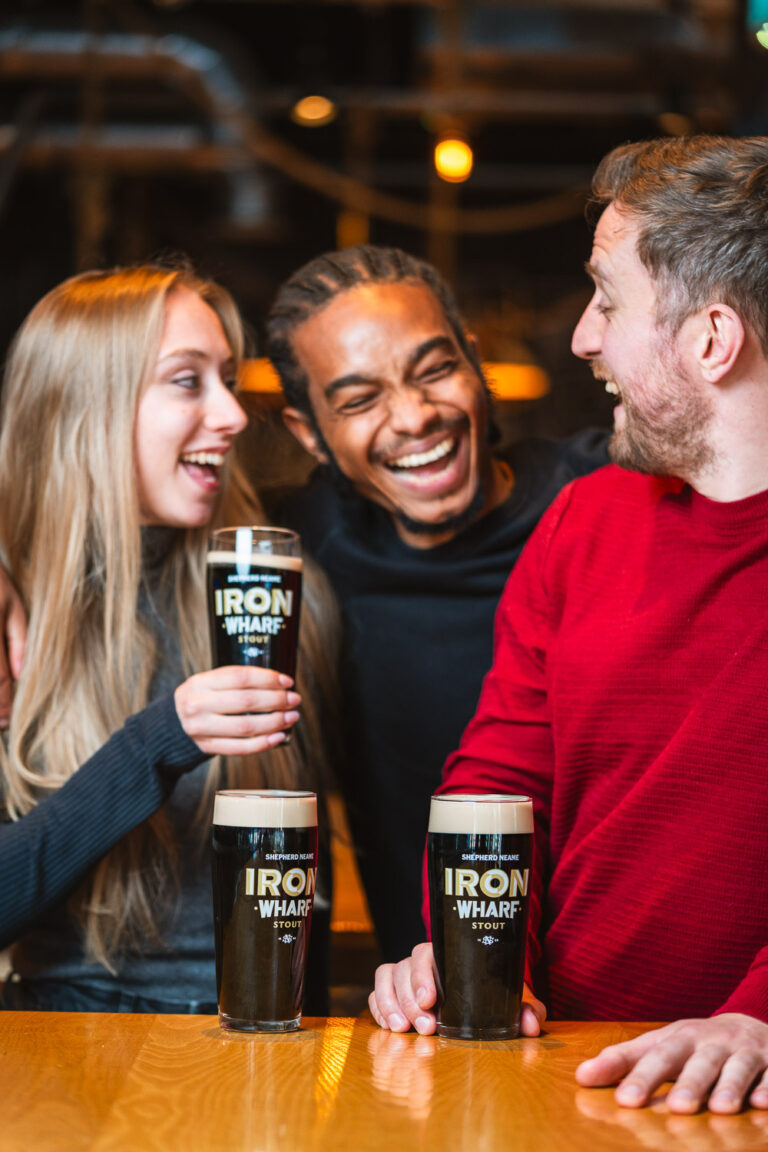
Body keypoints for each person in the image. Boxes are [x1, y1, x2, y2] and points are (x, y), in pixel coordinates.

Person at [369, 135, 768, 1114]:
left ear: (711, 340)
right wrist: (458, 952)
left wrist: (760, 1017)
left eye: (608, 299)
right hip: (542, 1071)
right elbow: (498, 781)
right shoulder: (586, 518)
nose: (584, 337)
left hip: (736, 1099)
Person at [0, 263, 337, 1013]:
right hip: (62, 1057)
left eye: (227, 377)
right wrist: (157, 740)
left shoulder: (279, 588)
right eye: (188, 381)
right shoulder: (15, 608)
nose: (234, 414)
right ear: (84, 405)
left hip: (260, 1047)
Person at [263, 245, 608, 961]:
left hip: (639, 1008)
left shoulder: (606, 494)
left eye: (436, 370)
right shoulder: (294, 549)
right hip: (432, 1008)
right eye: (359, 400)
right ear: (308, 433)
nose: (415, 417)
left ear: (475, 364)